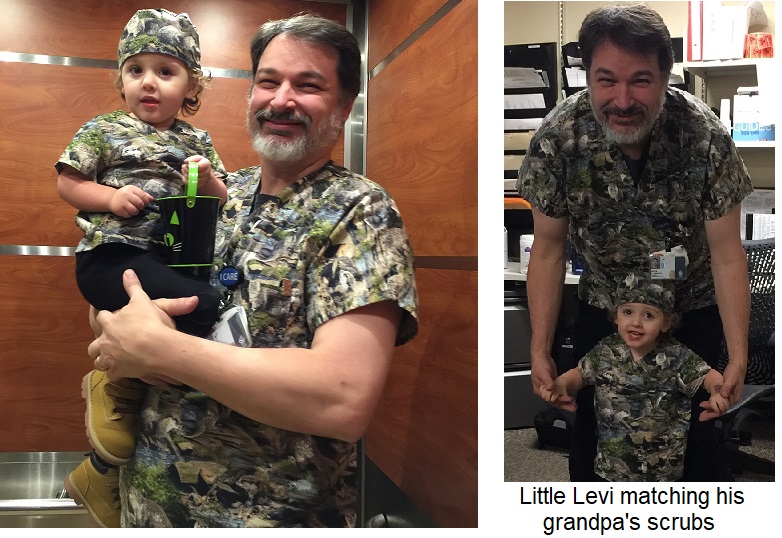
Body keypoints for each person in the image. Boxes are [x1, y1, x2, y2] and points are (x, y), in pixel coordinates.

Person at [83, 13, 419, 528]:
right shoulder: (213, 192)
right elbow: (125, 293)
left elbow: (342, 399)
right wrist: (118, 331)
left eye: (307, 85)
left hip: (275, 516)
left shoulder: (360, 210)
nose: (281, 100)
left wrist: (167, 349)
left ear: (344, 106)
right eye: (268, 81)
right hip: (149, 507)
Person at [517, 3, 751, 481]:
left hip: (691, 312)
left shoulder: (705, 137)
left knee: (695, 452)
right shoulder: (559, 138)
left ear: (667, 76)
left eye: (640, 80)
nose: (622, 99)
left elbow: (728, 255)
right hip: (605, 312)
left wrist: (738, 355)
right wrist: (539, 349)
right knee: (593, 445)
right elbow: (547, 249)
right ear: (588, 76)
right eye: (606, 80)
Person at [56, 8, 228, 527]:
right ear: (122, 80)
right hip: (111, 260)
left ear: (189, 84)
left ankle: (110, 450)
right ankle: (112, 382)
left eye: (166, 71)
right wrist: (109, 198)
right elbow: (68, 183)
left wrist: (211, 181)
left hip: (173, 258)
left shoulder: (197, 142)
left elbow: (223, 198)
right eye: (137, 71)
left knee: (208, 316)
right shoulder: (105, 129)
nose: (149, 83)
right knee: (204, 311)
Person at [540, 275, 730, 481]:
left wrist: (718, 392)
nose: (636, 323)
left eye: (648, 315)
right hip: (612, 465)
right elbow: (580, 374)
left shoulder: (677, 356)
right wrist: (562, 384)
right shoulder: (606, 351)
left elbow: (708, 376)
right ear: (616, 317)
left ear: (665, 323)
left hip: (662, 469)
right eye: (628, 312)